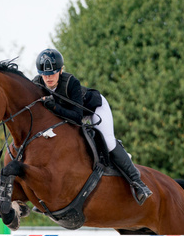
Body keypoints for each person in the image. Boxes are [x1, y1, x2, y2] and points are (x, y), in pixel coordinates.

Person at [32, 48, 152, 205]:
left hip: (93, 108)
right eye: (45, 74)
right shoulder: (36, 84)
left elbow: (77, 117)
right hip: (68, 115)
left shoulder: (71, 82)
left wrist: (54, 107)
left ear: (61, 70)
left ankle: (138, 183)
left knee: (108, 142)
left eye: (53, 73)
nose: (48, 78)